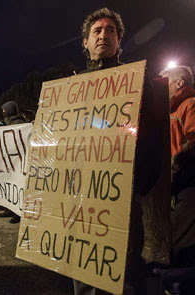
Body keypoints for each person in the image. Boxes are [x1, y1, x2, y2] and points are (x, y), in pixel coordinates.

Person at [73, 8, 162, 295]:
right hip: (79, 198)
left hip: (120, 195)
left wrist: (138, 186)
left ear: (119, 42)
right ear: (85, 42)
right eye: (97, 31)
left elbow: (150, 136)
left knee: (123, 275)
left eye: (111, 30)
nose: (104, 35)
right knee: (84, 269)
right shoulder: (71, 89)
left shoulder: (136, 79)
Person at [158, 65, 195, 292]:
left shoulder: (190, 105)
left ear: (179, 83)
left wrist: (177, 166)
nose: (161, 85)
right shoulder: (170, 111)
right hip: (174, 188)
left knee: (178, 246)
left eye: (165, 80)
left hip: (187, 188)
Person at [0, 101, 25, 223]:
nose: (3, 112)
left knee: (16, 186)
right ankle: (8, 209)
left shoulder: (18, 123)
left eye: (4, 110)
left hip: (17, 161)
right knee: (8, 186)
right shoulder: (8, 123)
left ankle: (17, 213)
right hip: (9, 160)